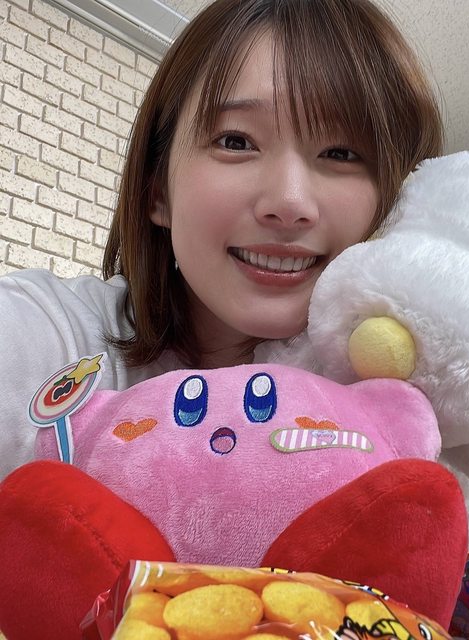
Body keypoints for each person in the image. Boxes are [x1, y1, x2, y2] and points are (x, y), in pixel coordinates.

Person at [0, 0, 443, 482]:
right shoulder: (48, 338)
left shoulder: (415, 404)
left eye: (341, 152)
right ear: (157, 189)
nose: (289, 202)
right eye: (236, 142)